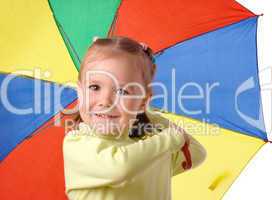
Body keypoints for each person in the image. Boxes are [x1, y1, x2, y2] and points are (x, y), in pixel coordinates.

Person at [62, 36, 207, 200]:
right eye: (94, 87)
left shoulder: (149, 151)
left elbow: (196, 153)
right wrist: (169, 139)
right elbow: (119, 167)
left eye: (122, 91)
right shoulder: (77, 143)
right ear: (80, 91)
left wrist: (148, 115)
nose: (105, 101)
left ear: (143, 101)